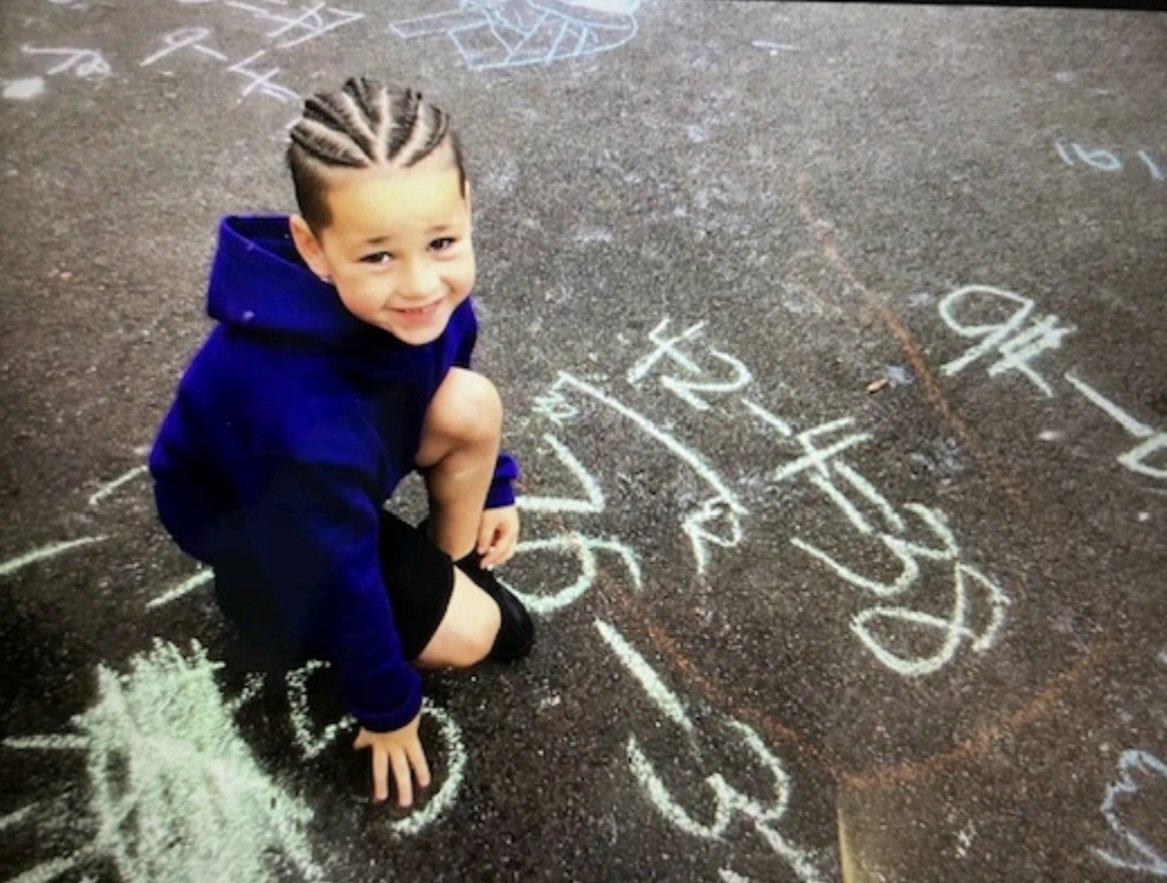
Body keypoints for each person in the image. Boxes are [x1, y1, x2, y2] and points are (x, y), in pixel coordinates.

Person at [148, 76, 534, 809]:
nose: (422, 282)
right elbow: (337, 568)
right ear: (312, 247)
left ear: (465, 211)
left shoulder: (424, 300)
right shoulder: (297, 421)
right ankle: (261, 607)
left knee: (469, 404)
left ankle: (449, 569)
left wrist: (495, 484)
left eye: (442, 241)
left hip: (333, 474)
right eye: (377, 256)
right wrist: (387, 706)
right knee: (479, 636)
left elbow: (451, 375)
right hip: (262, 524)